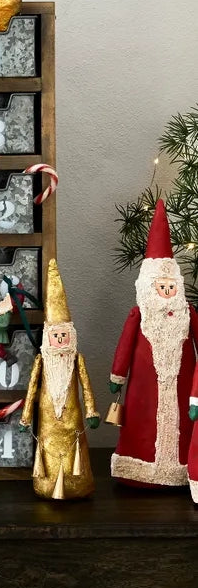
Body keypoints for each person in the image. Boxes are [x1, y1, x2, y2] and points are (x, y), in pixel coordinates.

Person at [110, 199, 198, 487]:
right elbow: (125, 346)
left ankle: (184, 469)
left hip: (184, 385)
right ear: (150, 287)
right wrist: (118, 377)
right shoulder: (139, 314)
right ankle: (140, 468)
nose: (167, 291)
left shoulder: (188, 312)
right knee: (142, 419)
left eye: (171, 286)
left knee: (184, 425)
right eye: (162, 287)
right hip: (144, 387)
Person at [20, 258, 100, 499]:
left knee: (75, 450)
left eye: (65, 335)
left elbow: (86, 387)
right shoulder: (42, 360)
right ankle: (47, 485)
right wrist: (26, 416)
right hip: (47, 420)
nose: (61, 340)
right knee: (48, 451)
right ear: (48, 338)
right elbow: (32, 389)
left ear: (71, 335)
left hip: (72, 418)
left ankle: (77, 485)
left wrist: (91, 411)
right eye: (56, 336)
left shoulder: (76, 359)